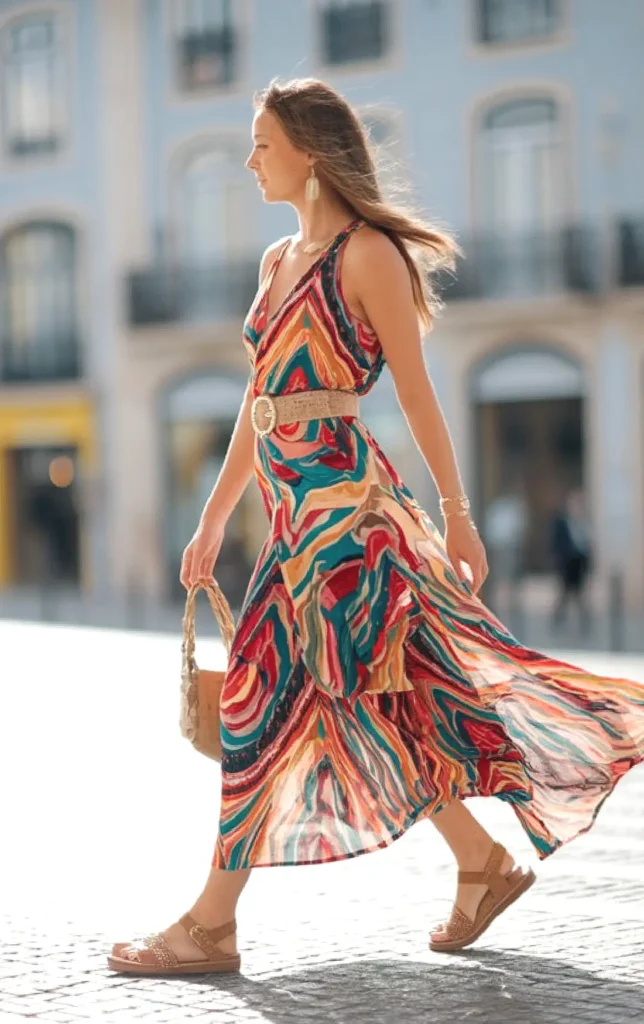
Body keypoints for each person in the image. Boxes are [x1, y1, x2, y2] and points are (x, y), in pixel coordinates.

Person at [107, 78, 644, 974]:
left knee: (261, 705)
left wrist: (459, 517)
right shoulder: (279, 259)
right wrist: (210, 521)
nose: (250, 161)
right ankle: (479, 862)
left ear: (311, 152)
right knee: (364, 702)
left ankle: (211, 924)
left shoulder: (370, 257)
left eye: (262, 144)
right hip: (292, 534)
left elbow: (421, 399)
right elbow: (260, 402)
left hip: (353, 526)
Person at [549, 489, 593, 635]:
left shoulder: (584, 523)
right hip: (567, 565)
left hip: (579, 565)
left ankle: (584, 624)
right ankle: (557, 620)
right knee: (565, 596)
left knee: (580, 597)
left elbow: (587, 545)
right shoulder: (562, 522)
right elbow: (556, 543)